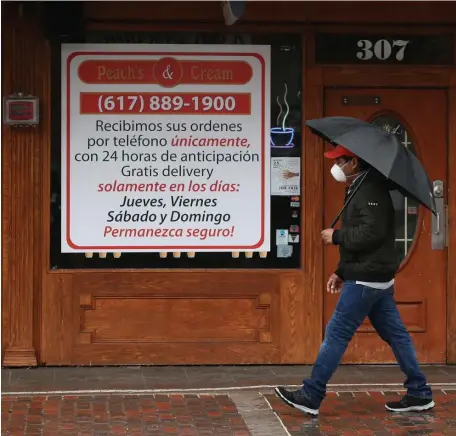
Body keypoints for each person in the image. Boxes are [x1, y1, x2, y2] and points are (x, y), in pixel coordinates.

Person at [275, 144, 434, 416]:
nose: (336, 166)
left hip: (366, 280)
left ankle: (311, 395)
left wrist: (336, 237)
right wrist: (341, 271)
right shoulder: (361, 185)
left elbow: (371, 233)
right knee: (397, 335)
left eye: (340, 161)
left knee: (337, 333)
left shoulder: (369, 190)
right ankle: (419, 392)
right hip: (374, 276)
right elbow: (364, 239)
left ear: (354, 163)